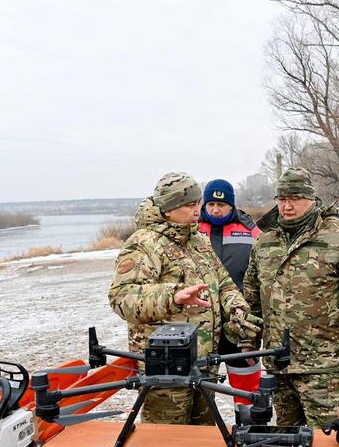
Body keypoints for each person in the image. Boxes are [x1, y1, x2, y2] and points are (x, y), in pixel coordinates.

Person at [108, 172, 261, 424]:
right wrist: (172, 297)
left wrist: (237, 310)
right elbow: (122, 297)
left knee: (203, 441)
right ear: (169, 208)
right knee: (167, 446)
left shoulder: (197, 239)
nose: (197, 210)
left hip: (204, 366)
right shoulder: (144, 243)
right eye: (191, 204)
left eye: (197, 203)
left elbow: (223, 283)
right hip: (167, 374)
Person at [243, 167, 339, 427]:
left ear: (311, 200)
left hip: (323, 366)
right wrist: (248, 339)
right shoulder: (266, 241)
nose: (287, 207)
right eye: (282, 200)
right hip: (279, 364)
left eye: (294, 199)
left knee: (330, 440)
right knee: (286, 440)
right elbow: (251, 296)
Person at [197, 179, 262, 403]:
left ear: (232, 206)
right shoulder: (192, 230)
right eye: (210, 204)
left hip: (239, 323)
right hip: (202, 324)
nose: (215, 209)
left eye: (221, 205)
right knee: (200, 390)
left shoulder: (250, 232)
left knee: (247, 388)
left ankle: (247, 429)